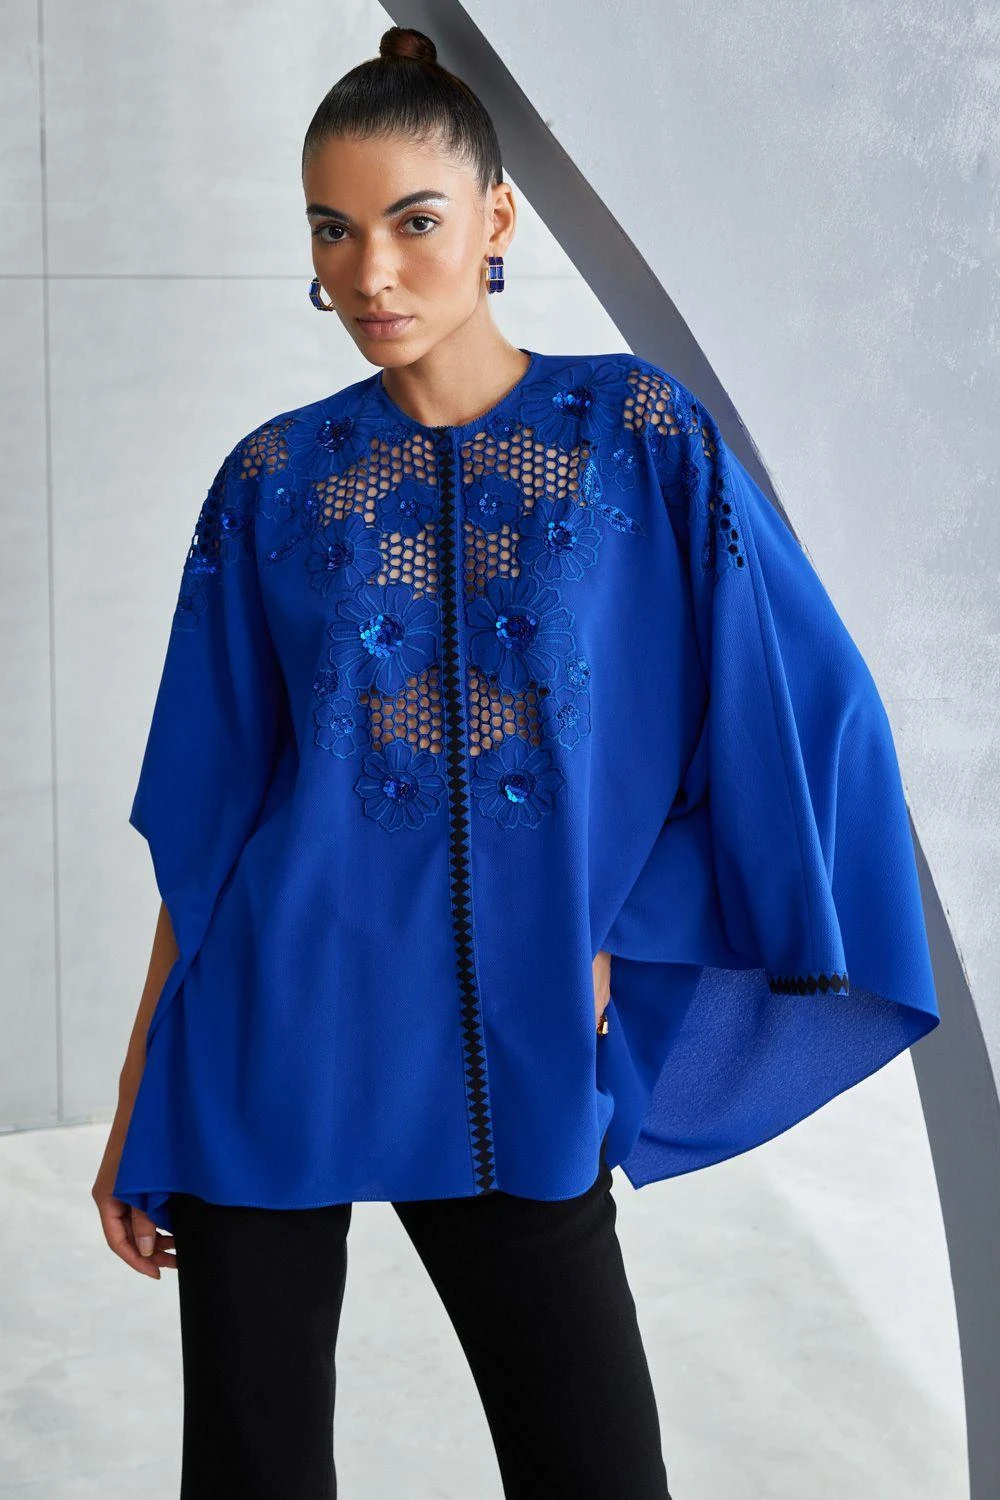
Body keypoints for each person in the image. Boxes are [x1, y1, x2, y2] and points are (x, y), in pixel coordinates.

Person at [92, 23, 940, 1500]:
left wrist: (622, 926)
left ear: (495, 218)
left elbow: (804, 718)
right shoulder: (271, 480)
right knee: (250, 1472)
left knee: (594, 1468)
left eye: (414, 222)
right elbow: (209, 822)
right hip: (271, 1029)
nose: (371, 273)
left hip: (510, 1038)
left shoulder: (638, 436)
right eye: (333, 230)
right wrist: (135, 1101)